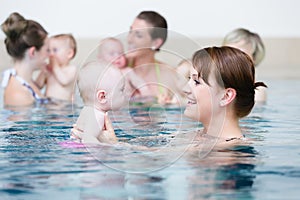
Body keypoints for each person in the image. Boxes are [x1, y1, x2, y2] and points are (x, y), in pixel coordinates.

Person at [183, 46, 267, 145]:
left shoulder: (228, 154)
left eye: (197, 82)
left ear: (226, 96)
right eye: (189, 78)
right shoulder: (195, 138)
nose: (185, 89)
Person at [126, 11, 179, 104]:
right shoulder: (116, 70)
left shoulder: (169, 76)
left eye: (138, 35)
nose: (129, 39)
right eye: (130, 31)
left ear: (156, 43)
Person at [71, 62, 126, 144]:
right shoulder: (97, 116)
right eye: (121, 90)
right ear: (102, 97)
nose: (124, 95)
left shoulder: (87, 110)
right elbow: (88, 140)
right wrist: (110, 147)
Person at [1, 12, 49, 106]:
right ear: (33, 52)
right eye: (47, 50)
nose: (49, 55)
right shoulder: (19, 96)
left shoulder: (27, 82)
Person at [223, 28, 267, 102]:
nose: (232, 58)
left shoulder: (257, 92)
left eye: (241, 54)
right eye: (227, 51)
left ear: (254, 58)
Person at [35, 34, 77, 101]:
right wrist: (43, 72)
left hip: (64, 107)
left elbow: (64, 81)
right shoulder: (49, 70)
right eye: (48, 50)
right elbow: (38, 86)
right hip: (48, 106)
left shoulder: (71, 69)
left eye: (55, 50)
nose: (51, 54)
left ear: (69, 53)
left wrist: (55, 67)